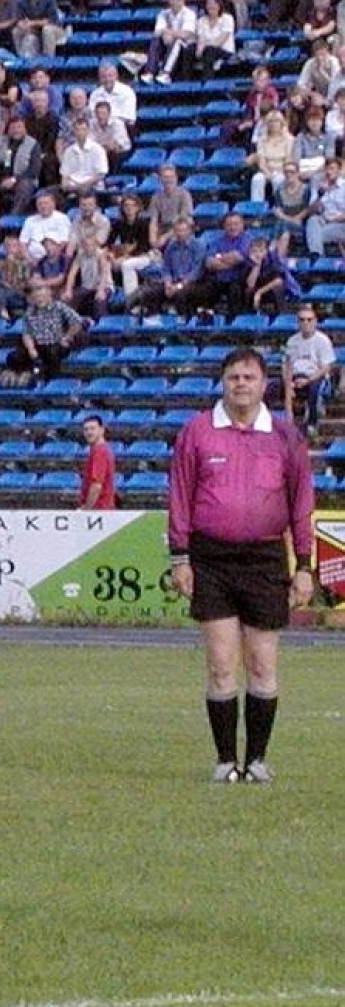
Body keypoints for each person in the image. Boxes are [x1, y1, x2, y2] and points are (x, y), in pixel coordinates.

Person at [167, 349, 315, 785]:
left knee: (263, 664)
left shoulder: (285, 437)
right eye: (233, 377)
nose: (241, 384)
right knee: (220, 663)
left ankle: (258, 760)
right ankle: (225, 761)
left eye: (249, 377)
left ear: (264, 384)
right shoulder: (197, 432)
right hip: (210, 559)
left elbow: (301, 503)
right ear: (223, 383)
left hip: (265, 560)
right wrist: (180, 557)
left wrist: (304, 565)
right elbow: (179, 496)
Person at [7, 280, 89, 382]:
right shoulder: (29, 312)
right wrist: (32, 350)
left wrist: (67, 337)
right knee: (14, 356)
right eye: (36, 297)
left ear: (48, 295)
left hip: (56, 344)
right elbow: (27, 333)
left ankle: (49, 380)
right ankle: (22, 377)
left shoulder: (59, 307)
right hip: (38, 345)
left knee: (52, 354)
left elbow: (77, 322)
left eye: (41, 296)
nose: (39, 299)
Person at [282, 304, 336, 437]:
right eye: (302, 320)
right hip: (296, 375)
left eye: (309, 319)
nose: (305, 323)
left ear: (315, 321)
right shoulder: (292, 341)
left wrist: (307, 380)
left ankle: (312, 423)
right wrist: (288, 383)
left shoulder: (323, 340)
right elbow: (287, 365)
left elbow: (326, 367)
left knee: (314, 389)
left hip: (316, 375)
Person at [77, 415, 117, 509]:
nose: (89, 432)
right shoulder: (99, 450)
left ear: (101, 430)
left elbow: (96, 485)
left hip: (99, 509)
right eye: (86, 429)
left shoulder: (99, 452)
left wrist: (87, 509)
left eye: (92, 428)